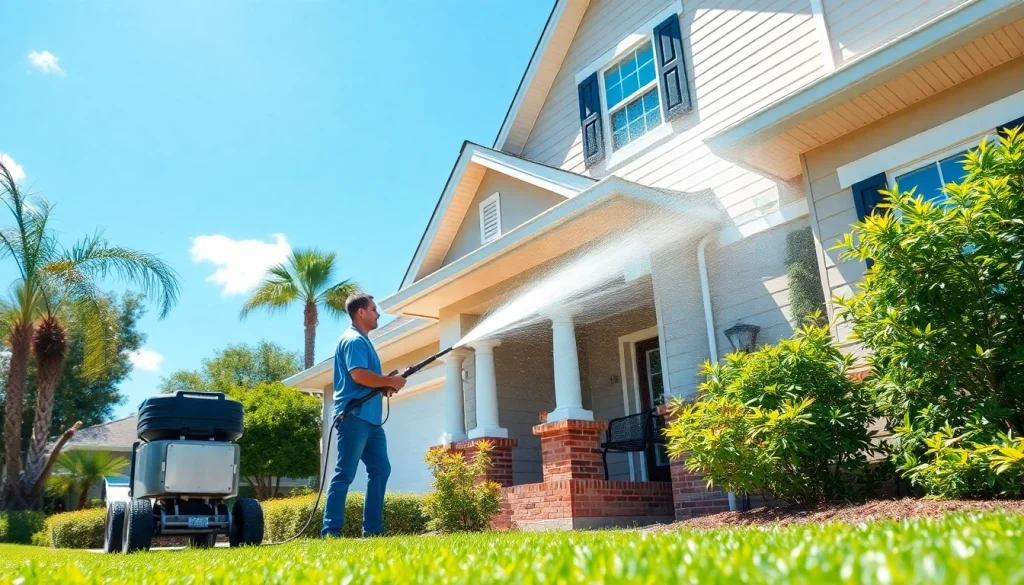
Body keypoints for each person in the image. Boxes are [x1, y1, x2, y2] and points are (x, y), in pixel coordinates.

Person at [321, 292, 406, 538]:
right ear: (361, 312)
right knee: (345, 474)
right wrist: (388, 380)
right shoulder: (353, 340)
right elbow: (358, 374)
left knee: (381, 468)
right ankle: (331, 532)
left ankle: (373, 530)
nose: (378, 313)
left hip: (370, 421)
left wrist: (384, 385)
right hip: (354, 417)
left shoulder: (364, 341)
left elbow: (364, 380)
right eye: (374, 308)